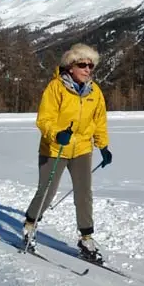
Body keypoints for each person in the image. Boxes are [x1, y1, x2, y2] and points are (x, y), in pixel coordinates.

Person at [22, 43, 112, 263]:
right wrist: (57, 133)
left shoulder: (95, 91)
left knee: (84, 194)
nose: (88, 69)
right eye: (83, 64)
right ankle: (29, 226)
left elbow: (99, 121)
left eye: (91, 65)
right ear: (71, 66)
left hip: (81, 149)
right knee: (47, 191)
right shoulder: (55, 88)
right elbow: (44, 120)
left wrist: (103, 146)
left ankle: (86, 238)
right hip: (55, 148)